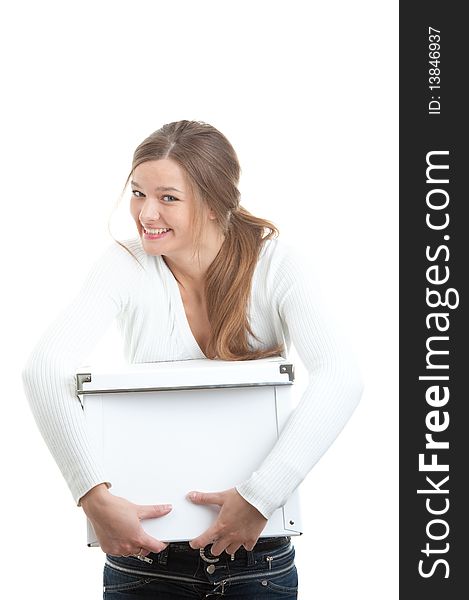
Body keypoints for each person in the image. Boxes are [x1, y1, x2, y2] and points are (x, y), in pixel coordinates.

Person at [22, 120, 363, 599]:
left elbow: (341, 377)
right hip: (145, 556)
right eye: (138, 193)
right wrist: (93, 498)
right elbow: (43, 368)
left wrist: (260, 498)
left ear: (214, 201)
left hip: (255, 554)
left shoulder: (277, 264)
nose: (146, 213)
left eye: (168, 197)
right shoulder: (127, 262)